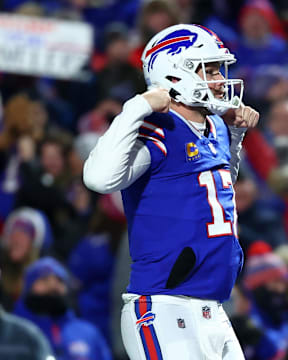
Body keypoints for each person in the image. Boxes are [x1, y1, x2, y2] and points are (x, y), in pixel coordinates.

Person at [83, 24, 259, 359]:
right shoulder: (158, 129)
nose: (220, 81)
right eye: (208, 71)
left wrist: (234, 137)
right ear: (175, 75)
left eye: (218, 70)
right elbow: (98, 178)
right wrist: (138, 106)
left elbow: (217, 190)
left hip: (213, 308)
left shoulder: (216, 126)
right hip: (164, 306)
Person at [13, 256, 112, 360]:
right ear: (28, 287)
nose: (53, 285)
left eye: (59, 280)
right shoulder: (13, 331)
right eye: (44, 280)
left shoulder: (88, 333)